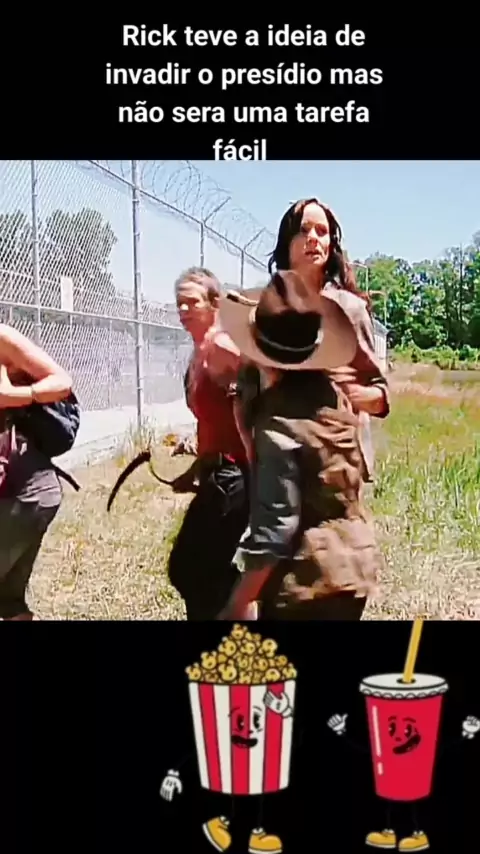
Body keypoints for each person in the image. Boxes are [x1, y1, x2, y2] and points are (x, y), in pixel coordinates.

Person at [216, 270, 384, 621]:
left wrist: (238, 603)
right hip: (354, 565)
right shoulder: (332, 396)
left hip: (307, 581)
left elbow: (276, 529)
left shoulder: (277, 423)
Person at [251, 197, 390, 481]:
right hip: (279, 464)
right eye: (303, 230)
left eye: (322, 231)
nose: (313, 238)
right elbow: (247, 390)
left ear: (331, 244)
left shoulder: (348, 310)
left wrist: (348, 391)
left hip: (334, 466)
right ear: (287, 243)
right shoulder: (266, 312)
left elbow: (379, 394)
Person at [166, 267, 253, 620]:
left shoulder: (222, 346)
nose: (183, 309)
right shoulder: (199, 351)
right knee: (195, 571)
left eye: (192, 302)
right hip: (217, 473)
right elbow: (213, 421)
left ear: (214, 304)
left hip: (236, 476)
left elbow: (265, 394)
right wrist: (196, 467)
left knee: (193, 571)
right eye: (179, 303)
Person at [0, 323, 73, 620]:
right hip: (22, 493)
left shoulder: (2, 339)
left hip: (25, 493)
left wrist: (15, 395)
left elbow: (62, 382)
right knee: (8, 602)